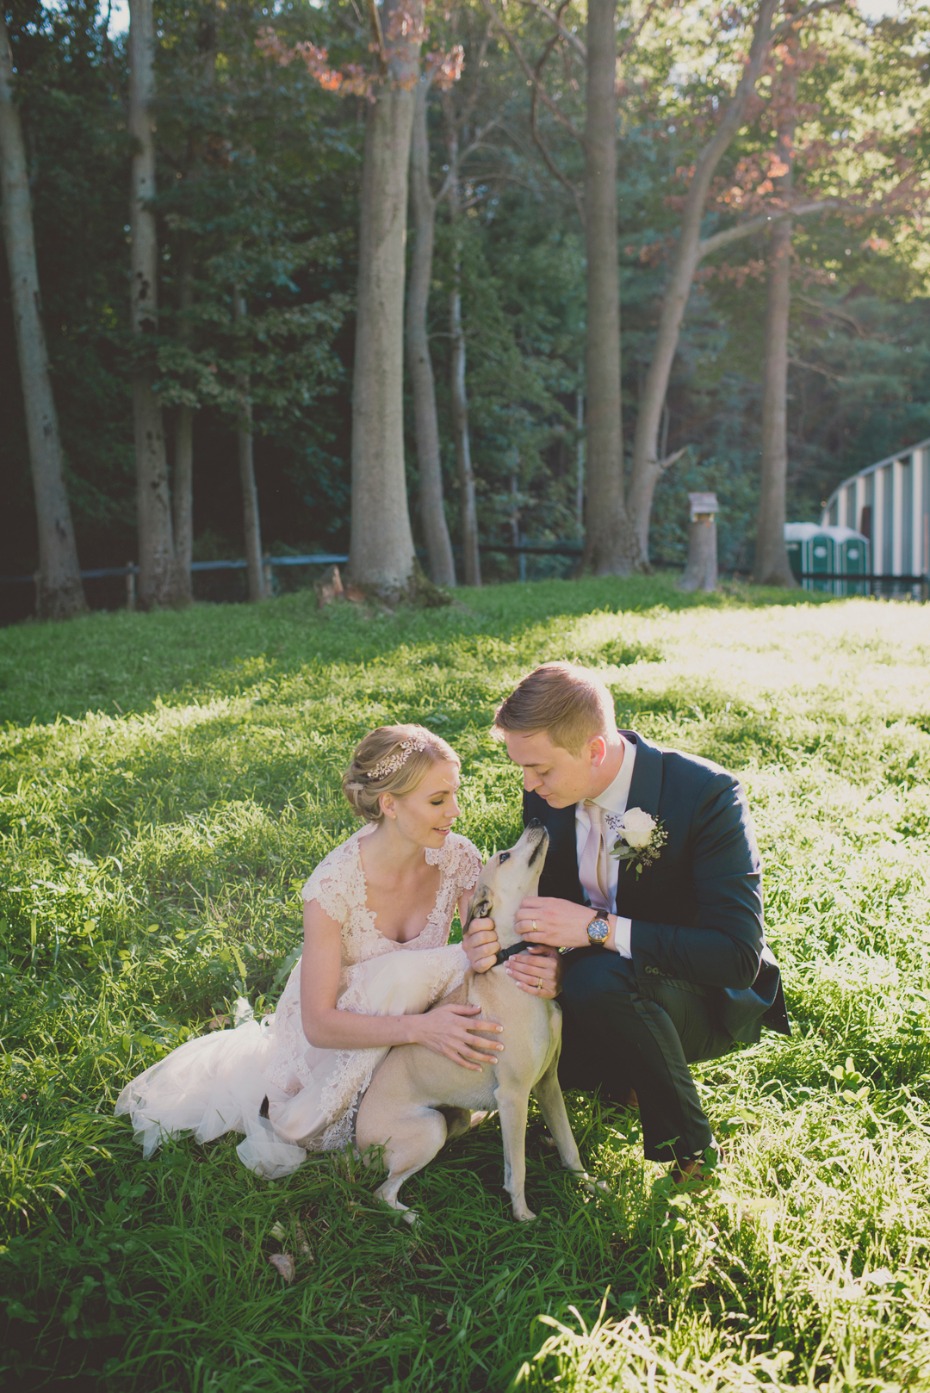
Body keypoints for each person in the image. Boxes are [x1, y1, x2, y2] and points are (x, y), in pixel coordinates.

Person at [116, 723, 532, 1179]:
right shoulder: (333, 887)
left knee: (456, 962)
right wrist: (422, 1029)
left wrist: (485, 940)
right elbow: (318, 1024)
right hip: (333, 1052)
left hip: (409, 1034)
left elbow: (485, 950)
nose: (454, 811)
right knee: (419, 971)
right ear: (389, 804)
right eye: (437, 800)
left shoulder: (457, 858)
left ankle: (442, 1088)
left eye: (454, 794)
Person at [463, 662, 790, 1182]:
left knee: (598, 977)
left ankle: (693, 1152)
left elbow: (735, 956)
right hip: (598, 979)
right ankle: (618, 1075)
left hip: (701, 997)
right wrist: (529, 951)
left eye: (540, 770)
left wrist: (596, 931)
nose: (528, 784)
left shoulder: (707, 796)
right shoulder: (547, 793)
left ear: (594, 750)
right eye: (522, 769)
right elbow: (544, 897)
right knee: (534, 1035)